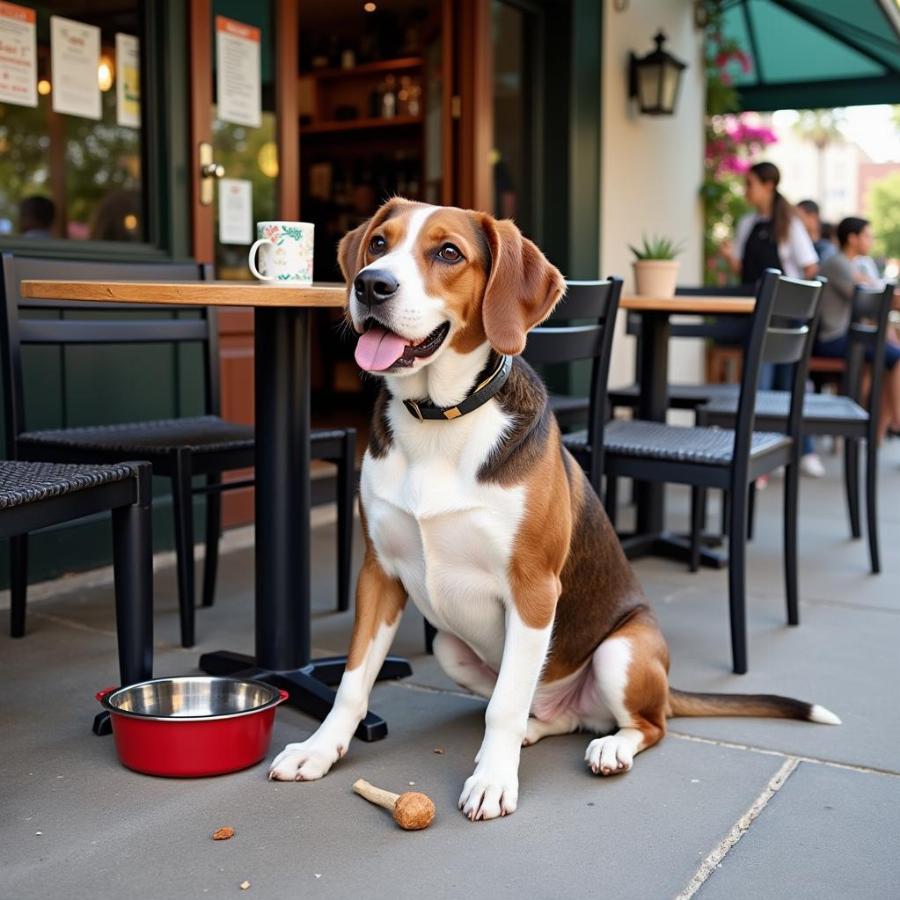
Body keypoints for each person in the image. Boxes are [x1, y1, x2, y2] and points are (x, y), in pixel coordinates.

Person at [722, 161, 825, 477]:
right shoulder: (747, 223)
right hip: (753, 313)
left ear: (768, 185)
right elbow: (745, 269)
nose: (746, 190)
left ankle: (796, 451)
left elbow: (810, 267)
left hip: (783, 315)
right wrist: (730, 258)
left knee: (783, 386)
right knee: (761, 384)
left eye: (750, 183)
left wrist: (793, 301)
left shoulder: (789, 224)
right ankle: (762, 458)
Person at [815, 217, 900, 442]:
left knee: (889, 357)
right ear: (852, 239)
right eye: (867, 236)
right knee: (896, 357)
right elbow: (865, 299)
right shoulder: (837, 263)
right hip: (832, 338)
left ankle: (879, 431)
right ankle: (892, 425)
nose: (871, 241)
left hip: (846, 336)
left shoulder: (849, 264)